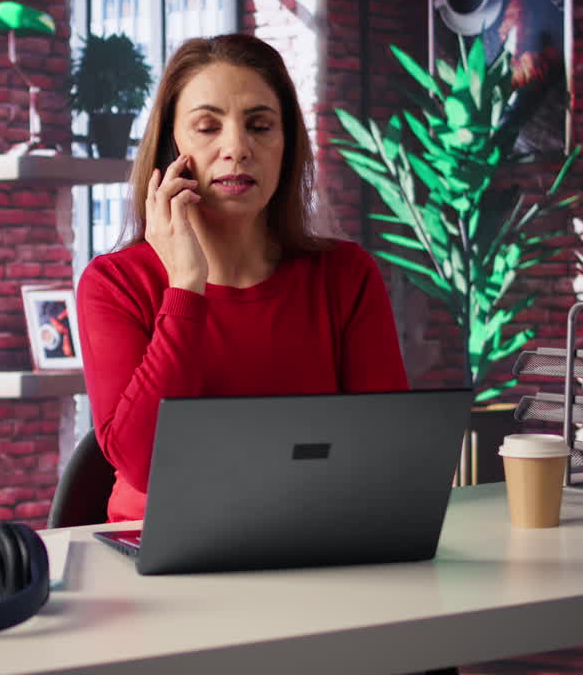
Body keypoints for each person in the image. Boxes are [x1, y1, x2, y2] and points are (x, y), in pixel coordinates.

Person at [75, 33, 409, 524]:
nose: (237, 148)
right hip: (160, 558)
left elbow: (388, 453)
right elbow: (147, 466)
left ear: (286, 145)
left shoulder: (345, 276)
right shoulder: (114, 284)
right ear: (173, 148)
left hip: (316, 540)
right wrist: (185, 287)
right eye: (207, 128)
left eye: (260, 126)